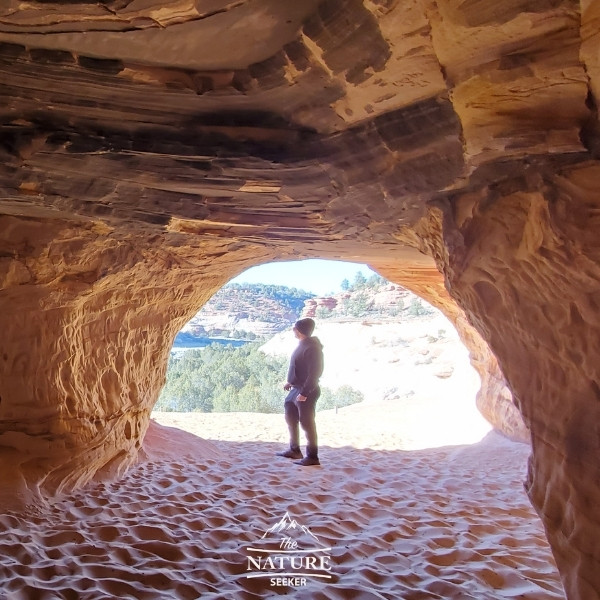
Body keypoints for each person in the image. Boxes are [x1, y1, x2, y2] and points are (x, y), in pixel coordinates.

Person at [276, 318, 324, 466]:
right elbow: (299, 367)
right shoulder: (303, 345)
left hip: (306, 390)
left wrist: (305, 392)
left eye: (295, 328)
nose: (293, 331)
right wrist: (291, 381)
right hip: (296, 388)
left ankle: (312, 457)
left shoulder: (313, 348)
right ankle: (295, 450)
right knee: (290, 417)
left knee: (307, 422)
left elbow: (315, 373)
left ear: (301, 330)